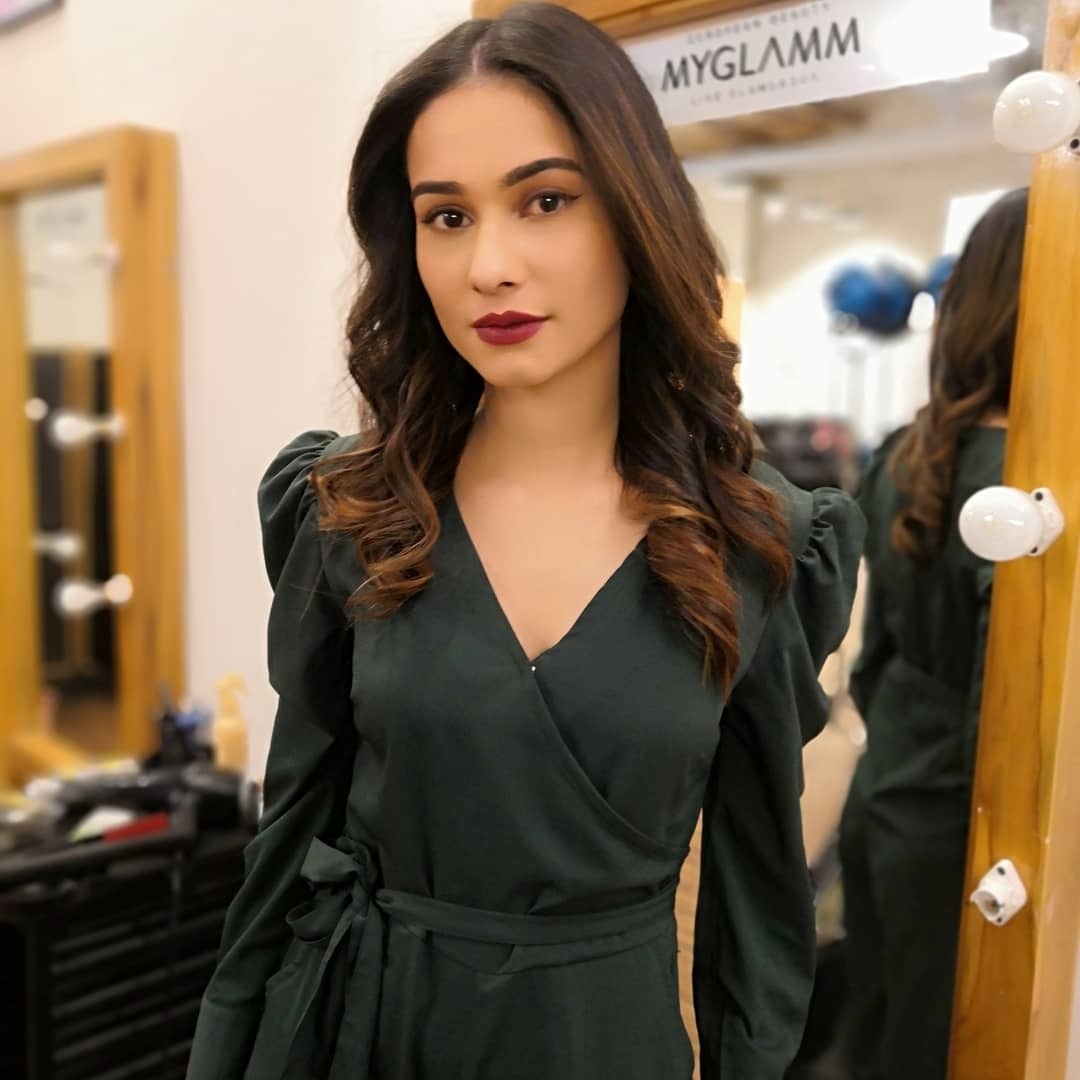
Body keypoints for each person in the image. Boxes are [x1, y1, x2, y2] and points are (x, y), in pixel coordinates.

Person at [186, 4, 863, 1077]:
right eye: (447, 216)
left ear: (635, 211)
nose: (489, 266)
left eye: (545, 200)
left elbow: (758, 908)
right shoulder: (350, 509)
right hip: (367, 1036)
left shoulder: (757, 542)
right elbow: (289, 837)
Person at [838, 187, 1029, 1080]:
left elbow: (871, 658)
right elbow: (1006, 715)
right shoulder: (1025, 498)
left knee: (881, 1032)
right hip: (968, 833)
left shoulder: (904, 453)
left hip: (887, 795)